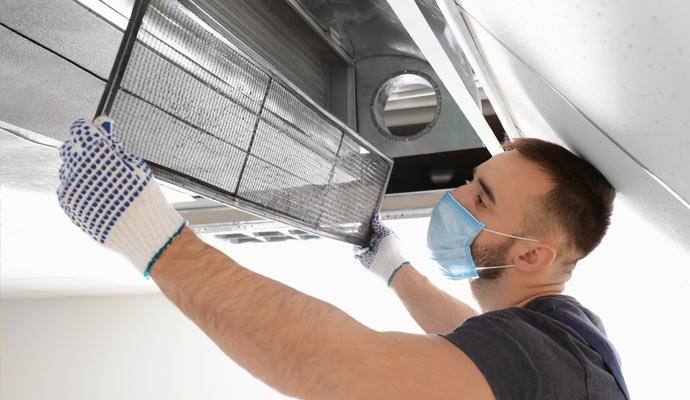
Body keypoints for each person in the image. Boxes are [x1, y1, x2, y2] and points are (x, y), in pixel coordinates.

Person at [58, 116, 623, 399]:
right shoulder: (564, 336)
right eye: (470, 181)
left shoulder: (554, 354)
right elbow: (473, 337)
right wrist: (394, 271)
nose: (456, 198)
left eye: (481, 198)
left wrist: (154, 241)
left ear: (530, 255)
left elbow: (345, 368)